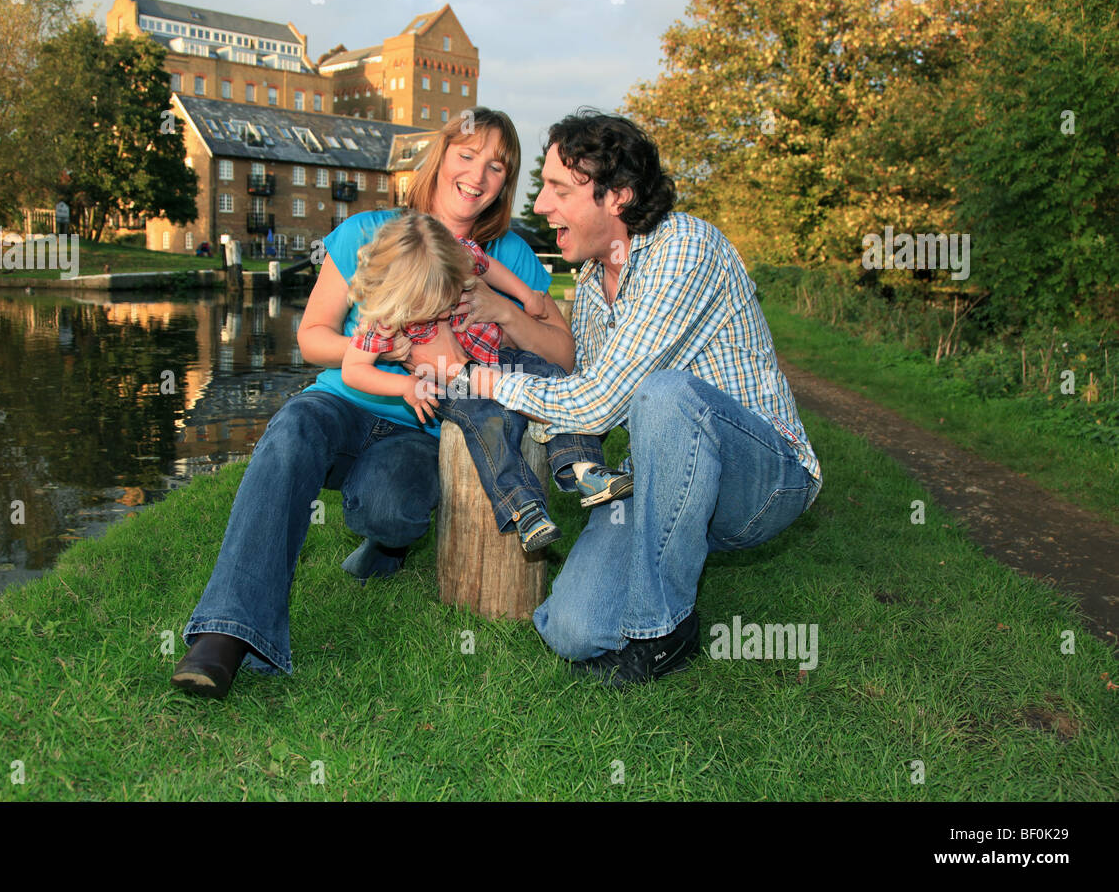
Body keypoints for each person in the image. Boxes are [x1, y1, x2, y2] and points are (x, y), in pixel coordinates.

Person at [170, 107, 574, 698]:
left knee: (394, 508)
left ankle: (386, 543)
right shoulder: (369, 231)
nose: (479, 175)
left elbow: (563, 356)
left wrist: (504, 310)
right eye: (467, 155)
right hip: (344, 400)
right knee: (292, 434)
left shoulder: (506, 254)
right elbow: (312, 338)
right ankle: (227, 633)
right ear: (440, 159)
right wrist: (398, 356)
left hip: (423, 424)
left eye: (497, 166)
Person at [419, 110, 824, 687]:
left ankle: (663, 632)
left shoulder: (686, 247)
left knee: (663, 395)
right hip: (665, 481)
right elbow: (568, 390)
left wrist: (475, 380)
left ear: (618, 197)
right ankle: (664, 575)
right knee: (572, 631)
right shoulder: (588, 284)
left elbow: (599, 401)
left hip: (764, 480)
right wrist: (504, 331)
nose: (540, 206)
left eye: (559, 189)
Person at [341, 210, 634, 552]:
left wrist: (526, 296)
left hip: (497, 358)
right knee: (490, 419)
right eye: (432, 308)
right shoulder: (385, 317)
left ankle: (582, 467)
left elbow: (490, 268)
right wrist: (405, 386)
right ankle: (522, 507)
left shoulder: (455, 255)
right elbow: (353, 370)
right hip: (452, 381)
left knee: (551, 378)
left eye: (449, 298)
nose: (444, 313)